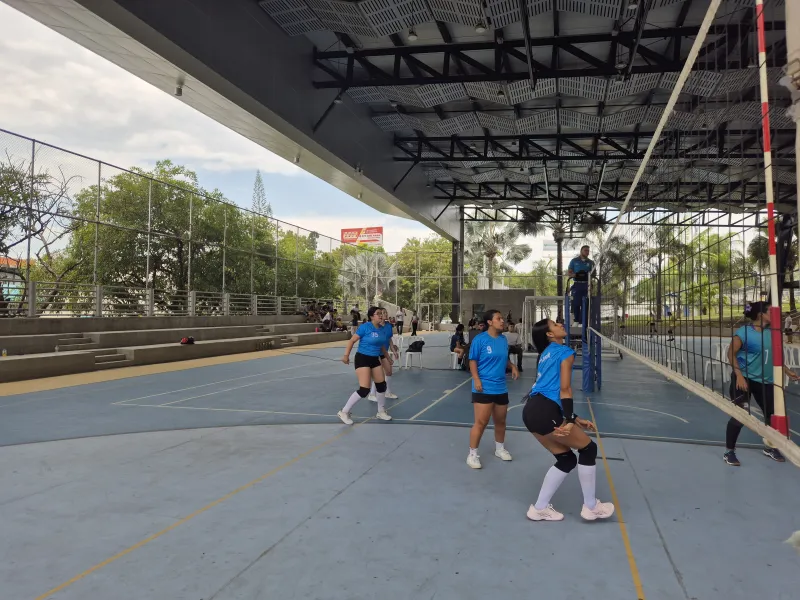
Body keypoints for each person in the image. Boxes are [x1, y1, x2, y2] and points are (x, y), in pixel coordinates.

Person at [523, 318, 615, 521]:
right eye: (555, 325)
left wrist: (573, 417)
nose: (561, 325)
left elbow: (549, 390)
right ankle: (591, 507)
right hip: (546, 411)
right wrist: (569, 420)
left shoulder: (545, 354)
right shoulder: (565, 352)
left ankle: (539, 508)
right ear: (549, 334)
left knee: (567, 459)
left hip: (531, 411)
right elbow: (564, 389)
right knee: (588, 449)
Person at [724, 301, 798, 466]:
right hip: (744, 378)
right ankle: (729, 451)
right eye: (771, 311)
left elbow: (773, 355)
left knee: (771, 416)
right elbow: (731, 354)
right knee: (740, 415)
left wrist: (787, 370)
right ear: (761, 315)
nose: (775, 314)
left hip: (765, 381)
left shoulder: (773, 333)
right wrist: (739, 375)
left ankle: (770, 447)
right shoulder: (744, 332)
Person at [467, 310, 519, 469]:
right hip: (484, 387)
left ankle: (499, 449)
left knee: (501, 421)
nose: (502, 321)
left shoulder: (503, 339)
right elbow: (473, 361)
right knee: (481, 422)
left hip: (501, 387)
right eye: (499, 318)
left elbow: (503, 358)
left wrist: (512, 366)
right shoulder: (480, 340)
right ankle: (472, 455)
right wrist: (476, 379)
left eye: (502, 318)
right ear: (490, 322)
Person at [338, 306, 393, 425]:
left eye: (381, 313)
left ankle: (381, 411)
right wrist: (346, 355)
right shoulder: (365, 327)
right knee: (364, 390)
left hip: (375, 359)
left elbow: (381, 346)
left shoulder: (382, 329)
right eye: (378, 313)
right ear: (372, 316)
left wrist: (388, 357)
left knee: (381, 386)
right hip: (362, 358)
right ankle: (344, 411)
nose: (381, 315)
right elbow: (352, 341)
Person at [369, 308, 399, 400]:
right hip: (375, 352)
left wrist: (394, 351)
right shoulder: (375, 326)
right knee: (379, 374)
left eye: (386, 312)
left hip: (384, 352)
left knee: (389, 372)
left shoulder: (388, 326)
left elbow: (389, 339)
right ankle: (372, 394)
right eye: (383, 313)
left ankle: (388, 392)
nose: (385, 314)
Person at [567, 245, 595, 325]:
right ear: (581, 251)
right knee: (576, 303)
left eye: (588, 251)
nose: (587, 252)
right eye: (585, 250)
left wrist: (588, 275)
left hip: (587, 285)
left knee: (585, 304)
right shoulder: (574, 261)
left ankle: (583, 322)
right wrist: (575, 275)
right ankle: (576, 320)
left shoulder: (591, 262)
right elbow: (569, 272)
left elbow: (594, 274)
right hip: (577, 284)